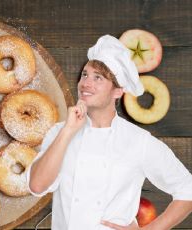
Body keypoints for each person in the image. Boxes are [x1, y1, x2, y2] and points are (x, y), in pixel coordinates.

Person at [27, 35, 192, 230]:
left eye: (98, 78)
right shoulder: (60, 132)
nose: (86, 83)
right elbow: (37, 186)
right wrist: (68, 131)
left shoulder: (138, 141)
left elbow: (187, 189)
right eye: (85, 75)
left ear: (118, 91)